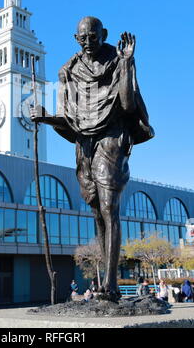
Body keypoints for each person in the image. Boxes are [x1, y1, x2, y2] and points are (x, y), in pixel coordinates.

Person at [30, 16, 154, 299]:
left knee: (110, 207)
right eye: (83, 38)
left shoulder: (116, 58)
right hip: (84, 144)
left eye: (93, 37)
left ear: (104, 34)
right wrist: (45, 118)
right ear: (76, 38)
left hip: (111, 136)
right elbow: (71, 119)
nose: (88, 43)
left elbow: (126, 103)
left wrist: (127, 63)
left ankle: (110, 284)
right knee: (97, 209)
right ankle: (105, 282)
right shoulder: (69, 71)